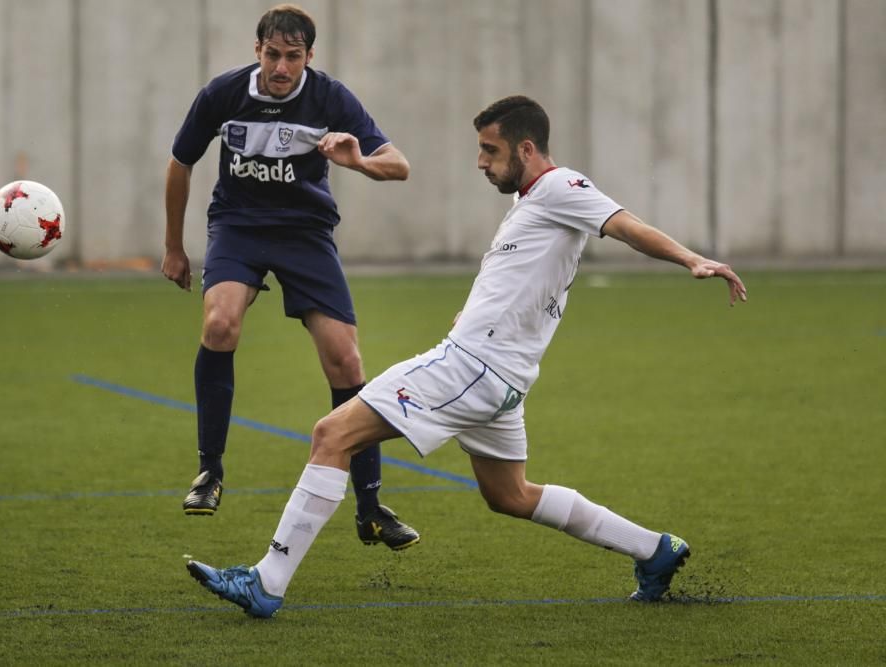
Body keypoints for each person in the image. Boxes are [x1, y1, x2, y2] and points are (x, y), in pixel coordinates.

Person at [186, 95, 749, 618]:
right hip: (502, 377)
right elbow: (522, 279)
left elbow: (625, 225)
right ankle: (654, 550)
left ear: (526, 150)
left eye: (490, 150)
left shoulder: (561, 186)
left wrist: (692, 260)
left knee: (332, 434)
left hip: (472, 367)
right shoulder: (531, 203)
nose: (480, 162)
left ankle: (267, 582)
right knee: (510, 494)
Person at [161, 4, 419, 550]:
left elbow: (399, 165)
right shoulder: (222, 95)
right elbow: (179, 162)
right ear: (257, 51)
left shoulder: (328, 97)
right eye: (273, 55)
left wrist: (356, 161)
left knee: (346, 361)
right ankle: (210, 472)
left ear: (309, 57)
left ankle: (370, 508)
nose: (282, 67)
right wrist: (173, 247)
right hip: (239, 227)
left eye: (293, 57)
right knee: (219, 325)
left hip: (305, 234)